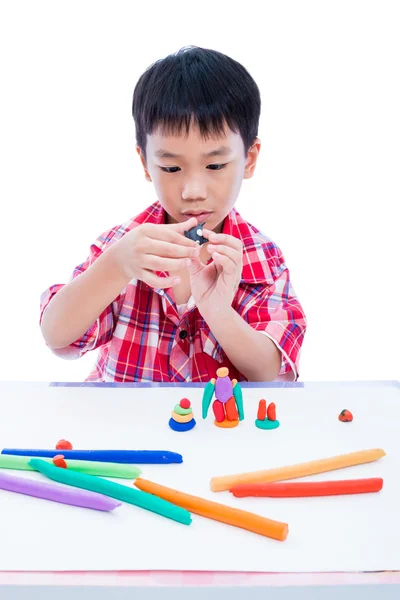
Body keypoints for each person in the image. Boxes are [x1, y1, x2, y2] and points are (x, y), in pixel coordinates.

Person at [40, 46, 307, 383]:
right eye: (171, 167)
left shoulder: (262, 259)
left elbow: (270, 370)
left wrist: (218, 313)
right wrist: (117, 265)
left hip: (220, 434)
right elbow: (56, 335)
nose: (193, 189)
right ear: (145, 164)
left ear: (249, 159)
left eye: (215, 165)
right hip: (125, 431)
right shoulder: (121, 247)